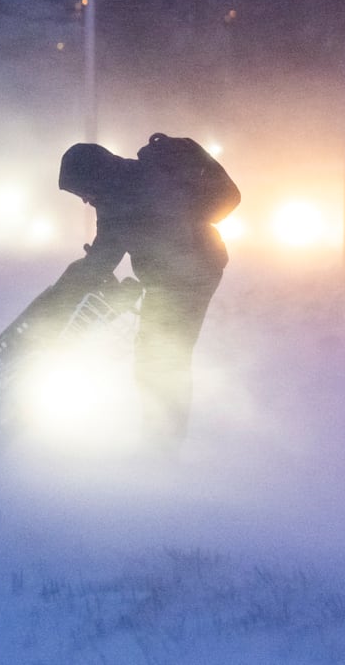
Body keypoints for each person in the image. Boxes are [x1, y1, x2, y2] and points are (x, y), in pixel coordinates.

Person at [48, 133, 238, 452]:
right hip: (180, 277)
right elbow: (112, 249)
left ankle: (162, 446)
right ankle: (160, 437)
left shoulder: (124, 194)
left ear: (94, 175)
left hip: (189, 280)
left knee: (163, 359)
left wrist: (58, 301)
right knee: (156, 358)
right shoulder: (125, 184)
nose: (84, 199)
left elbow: (104, 256)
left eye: (82, 191)